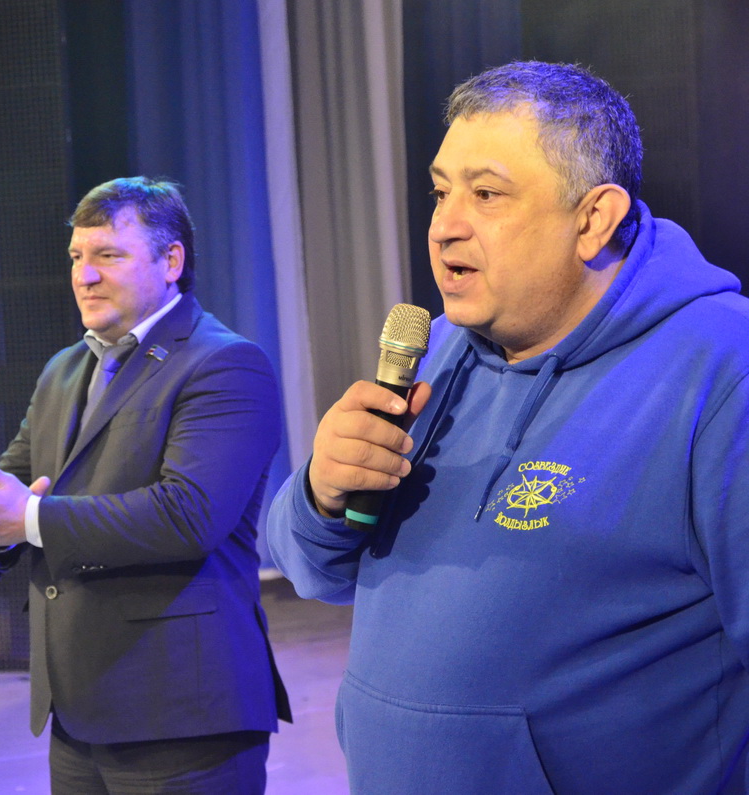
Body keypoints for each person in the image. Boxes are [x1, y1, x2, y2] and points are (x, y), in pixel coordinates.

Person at [267, 61, 749, 793]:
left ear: (593, 219)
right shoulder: (434, 349)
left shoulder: (722, 369)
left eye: (486, 194)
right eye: (441, 191)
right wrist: (321, 495)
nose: (444, 226)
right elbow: (313, 571)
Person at [0, 176, 291, 793]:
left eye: (108, 255)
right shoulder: (63, 369)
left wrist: (29, 520)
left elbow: (188, 515)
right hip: (77, 708)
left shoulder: (225, 363)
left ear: (170, 261)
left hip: (182, 712)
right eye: (76, 257)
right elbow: (19, 481)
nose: (84, 276)